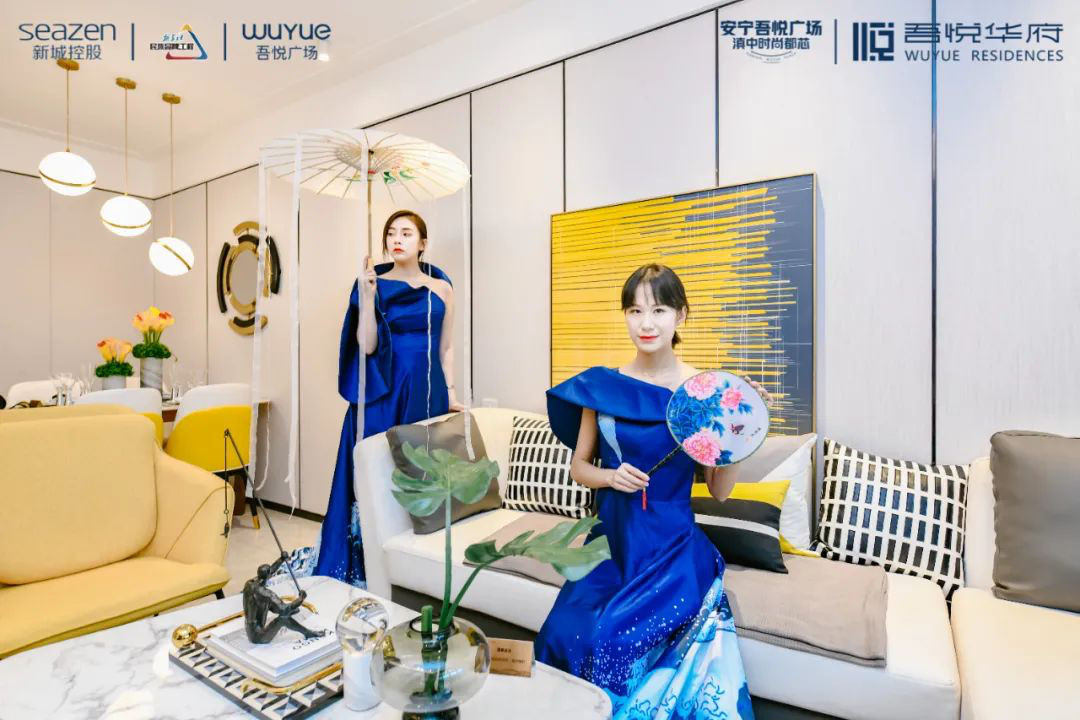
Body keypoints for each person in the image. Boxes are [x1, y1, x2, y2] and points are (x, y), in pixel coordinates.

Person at [535, 263, 771, 719]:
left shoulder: (703, 393)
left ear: (681, 316)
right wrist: (610, 477)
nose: (646, 323)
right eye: (635, 310)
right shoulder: (602, 387)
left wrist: (739, 433)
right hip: (610, 543)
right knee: (562, 631)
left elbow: (720, 491)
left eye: (659, 310)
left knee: (609, 637)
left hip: (671, 547)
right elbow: (580, 467)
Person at [309, 210, 462, 587]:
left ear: (422, 243)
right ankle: (369, 563)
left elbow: (446, 349)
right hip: (384, 391)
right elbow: (367, 346)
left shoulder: (442, 287)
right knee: (377, 475)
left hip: (426, 392)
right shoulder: (372, 282)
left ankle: (416, 567)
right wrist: (366, 297)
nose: (397, 239)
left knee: (421, 474)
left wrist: (451, 394)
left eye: (407, 233)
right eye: (391, 233)